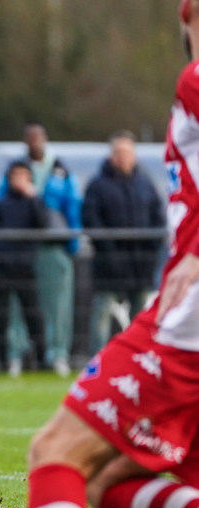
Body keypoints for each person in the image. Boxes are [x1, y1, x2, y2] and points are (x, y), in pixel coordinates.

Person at [22, 0, 199, 508]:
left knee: (57, 455)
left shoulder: (195, 78)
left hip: (187, 326)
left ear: (185, 7)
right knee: (105, 481)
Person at [82, 130, 165, 354]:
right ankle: (98, 358)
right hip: (109, 264)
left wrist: (151, 249)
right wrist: (109, 251)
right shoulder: (97, 185)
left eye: (127, 152)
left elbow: (158, 218)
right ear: (111, 155)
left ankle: (139, 356)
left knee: (141, 315)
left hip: (140, 263)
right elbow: (91, 220)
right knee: (103, 311)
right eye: (118, 152)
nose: (123, 157)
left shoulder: (146, 184)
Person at [21, 123, 81, 376]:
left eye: (38, 137)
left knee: (59, 306)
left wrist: (73, 243)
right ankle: (23, 355)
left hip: (55, 246)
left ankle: (57, 354)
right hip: (24, 247)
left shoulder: (61, 170)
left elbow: (73, 206)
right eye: (30, 137)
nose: (35, 141)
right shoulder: (17, 169)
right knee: (22, 306)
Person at [0, 161, 48, 376]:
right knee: (2, 317)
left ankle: (42, 358)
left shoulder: (34, 202)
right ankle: (3, 361)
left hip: (26, 267)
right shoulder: (2, 203)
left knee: (33, 315)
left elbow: (43, 222)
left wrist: (33, 198)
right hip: (4, 267)